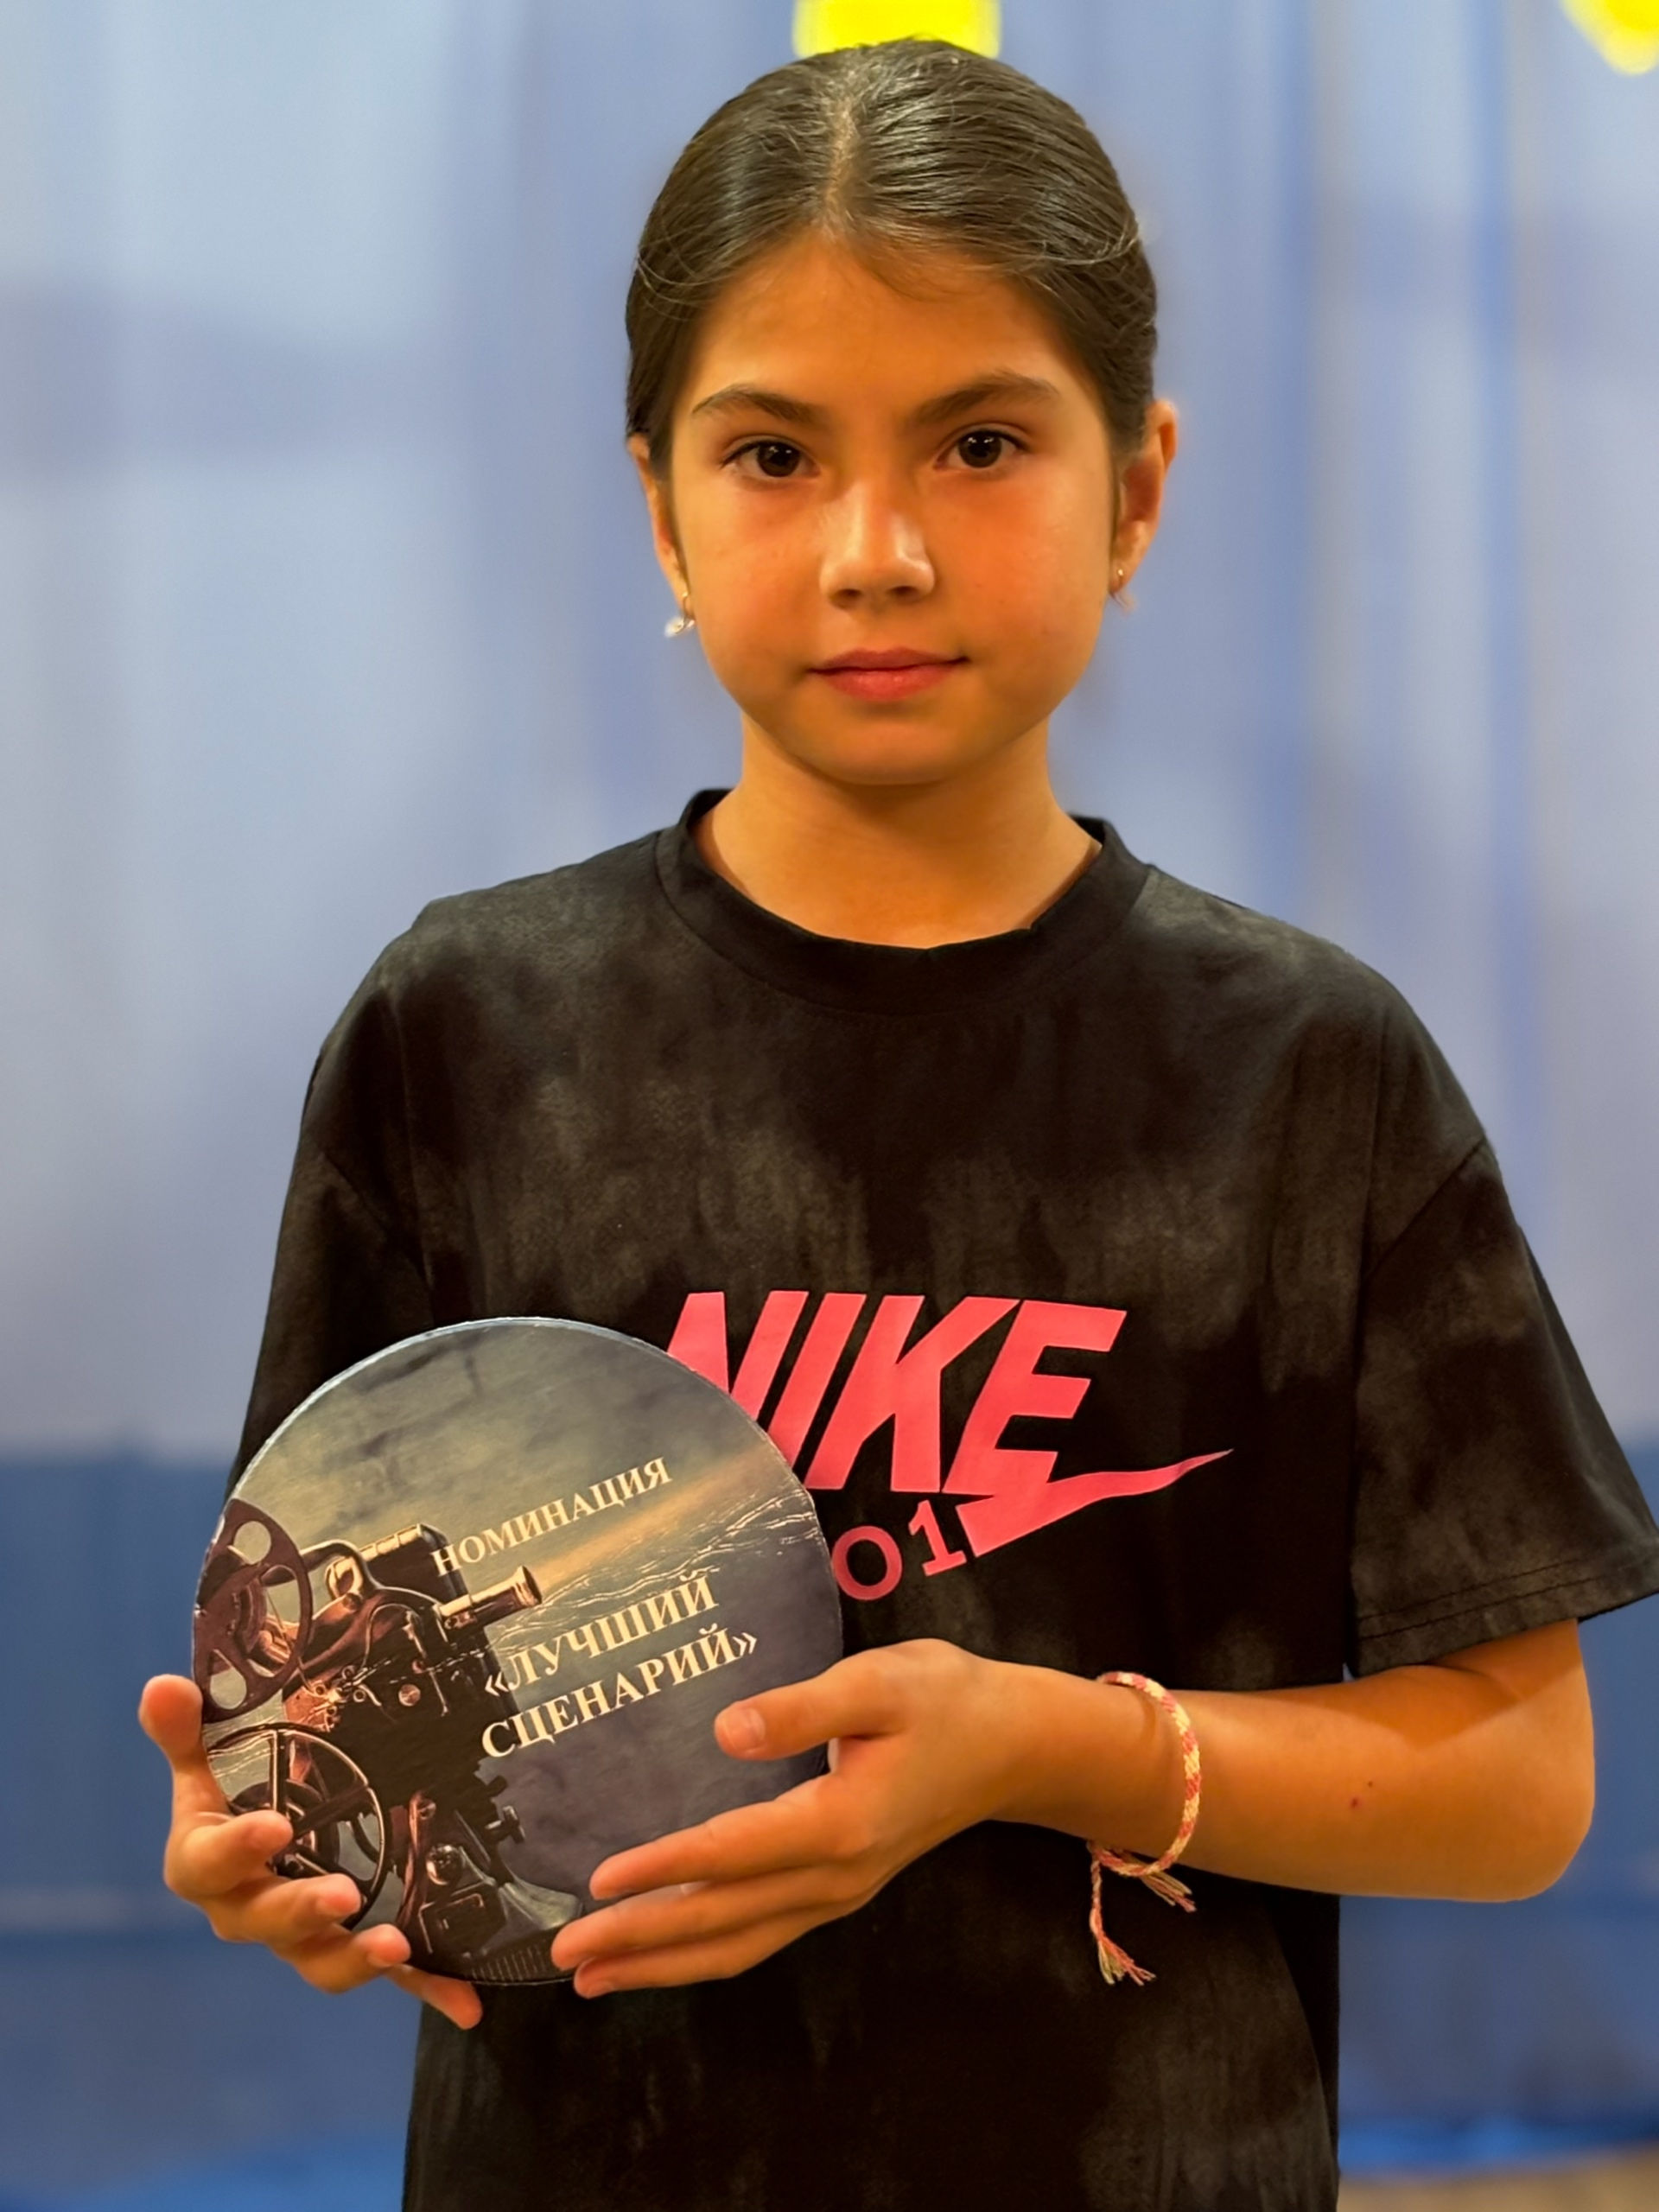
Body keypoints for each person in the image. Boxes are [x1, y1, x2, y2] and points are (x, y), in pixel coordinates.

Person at [139, 40, 1659, 2212]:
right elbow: (315, 1686)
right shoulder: (463, 1030)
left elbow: (1519, 1782)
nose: (877, 552)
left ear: (1137, 489)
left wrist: (1048, 1745)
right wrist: (283, 1842)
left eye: (981, 443)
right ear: (659, 503)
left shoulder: (1309, 1068)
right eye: (773, 454)